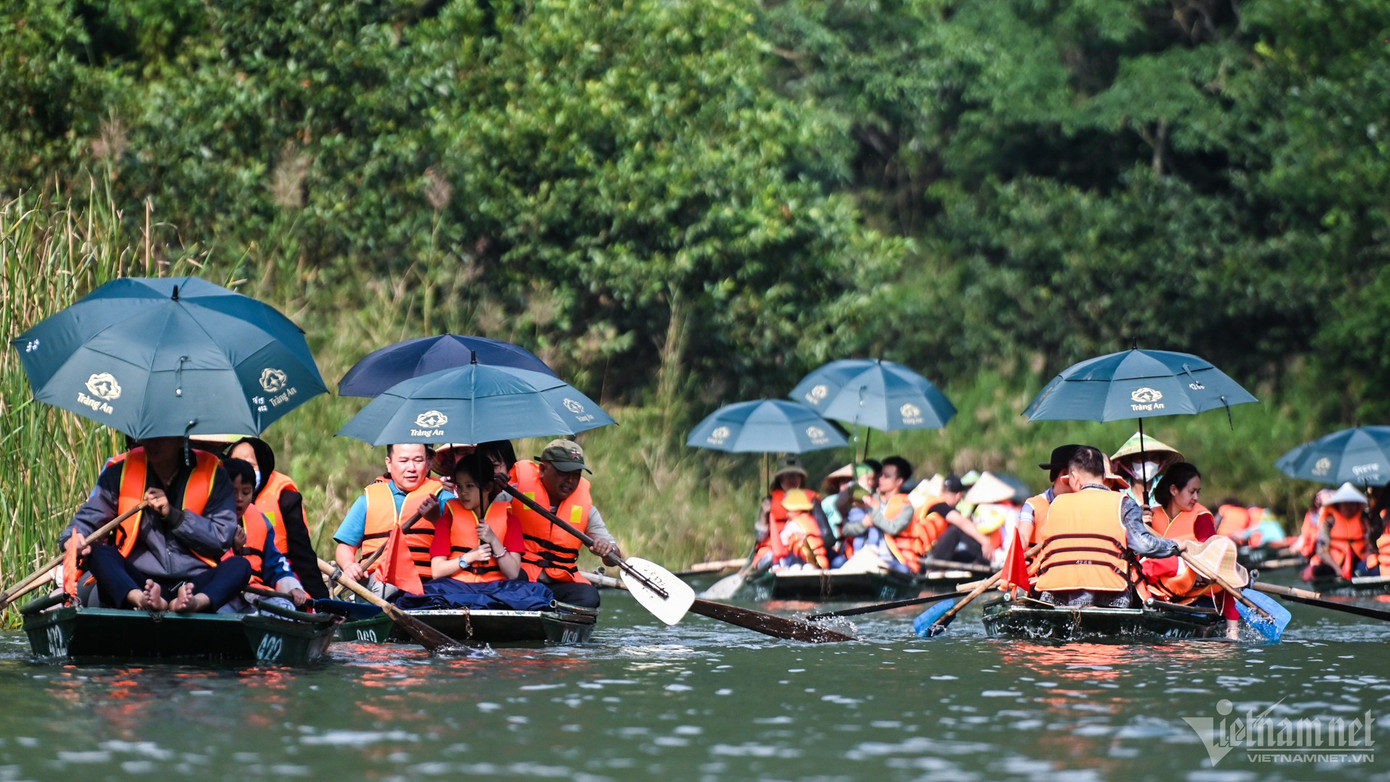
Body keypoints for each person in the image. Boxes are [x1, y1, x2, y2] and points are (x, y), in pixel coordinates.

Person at [59, 436, 249, 613]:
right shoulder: (119, 472)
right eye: (149, 436)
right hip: (139, 580)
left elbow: (221, 539)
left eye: (162, 438)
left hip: (194, 583)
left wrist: (174, 516)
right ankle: (140, 599)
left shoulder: (216, 475)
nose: (152, 443)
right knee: (101, 554)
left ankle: (194, 603)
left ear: (180, 440)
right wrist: (72, 538)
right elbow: (89, 518)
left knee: (240, 566)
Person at [1030, 445, 1187, 608]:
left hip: (1057, 595)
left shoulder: (1055, 505)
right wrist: (1175, 546)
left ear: (1075, 477)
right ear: (1105, 475)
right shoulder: (1124, 503)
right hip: (1109, 595)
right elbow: (1144, 545)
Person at [407, 453, 555, 611]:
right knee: (417, 596)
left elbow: (513, 573)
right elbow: (437, 571)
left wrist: (494, 541)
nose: (463, 493)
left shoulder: (510, 520)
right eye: (459, 486)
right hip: (457, 588)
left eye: (470, 486)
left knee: (537, 594)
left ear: (488, 488)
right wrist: (470, 557)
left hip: (498, 589)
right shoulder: (447, 520)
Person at [505, 439, 622, 608]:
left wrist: (608, 549)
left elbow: (614, 557)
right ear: (543, 469)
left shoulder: (586, 509)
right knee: (510, 581)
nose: (570, 481)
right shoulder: (513, 493)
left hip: (558, 582)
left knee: (589, 597)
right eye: (563, 473)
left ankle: (545, 608)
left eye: (576, 475)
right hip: (520, 577)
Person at [332, 443, 451, 598]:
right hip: (378, 582)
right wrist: (349, 565)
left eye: (418, 460)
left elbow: (461, 543)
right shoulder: (368, 501)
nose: (411, 468)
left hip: (429, 583)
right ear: (389, 464)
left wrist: (436, 520)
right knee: (387, 588)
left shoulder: (445, 499)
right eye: (403, 461)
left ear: (428, 463)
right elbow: (345, 547)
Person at [1138, 462, 1241, 637]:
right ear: (1173, 490)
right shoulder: (1150, 515)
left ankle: (1233, 629)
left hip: (1195, 589)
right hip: (1156, 590)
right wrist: (1140, 525)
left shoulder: (1201, 517)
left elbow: (1212, 559)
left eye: (1198, 492)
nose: (1196, 497)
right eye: (1191, 492)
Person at [227, 436, 328, 599]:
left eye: (250, 465)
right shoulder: (215, 504)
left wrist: (321, 599)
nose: (243, 470)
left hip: (278, 580)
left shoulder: (286, 498)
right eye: (236, 462)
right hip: (232, 586)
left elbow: (302, 556)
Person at [220, 457, 310, 611]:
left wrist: (292, 587)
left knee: (285, 608)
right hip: (220, 594)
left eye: (246, 492)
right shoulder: (208, 518)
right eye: (233, 492)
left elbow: (275, 564)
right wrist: (231, 546)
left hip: (254, 594)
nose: (239, 498)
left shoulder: (261, 521)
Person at [839, 456, 926, 573]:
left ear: (899, 481)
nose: (880, 479)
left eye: (886, 476)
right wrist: (864, 523)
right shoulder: (867, 498)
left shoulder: (906, 507)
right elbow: (846, 530)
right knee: (837, 562)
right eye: (881, 475)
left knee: (903, 570)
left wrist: (873, 512)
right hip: (861, 555)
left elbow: (893, 528)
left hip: (890, 561)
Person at [920, 475, 991, 568]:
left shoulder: (940, 505)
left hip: (935, 553)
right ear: (958, 495)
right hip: (928, 557)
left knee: (968, 555)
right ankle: (987, 560)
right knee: (958, 528)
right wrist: (985, 542)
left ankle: (984, 561)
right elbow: (962, 522)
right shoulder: (940, 506)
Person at [1018, 444, 1080, 551]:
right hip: (1039, 561)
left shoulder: (1083, 505)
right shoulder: (1033, 506)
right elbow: (1022, 538)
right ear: (1064, 474)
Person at [1311, 482, 1373, 580]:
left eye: (1352, 503)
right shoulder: (1329, 522)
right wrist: (1337, 570)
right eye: (1345, 503)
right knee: (1319, 571)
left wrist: (1367, 560)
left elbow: (1370, 545)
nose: (1349, 507)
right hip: (1335, 563)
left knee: (1369, 568)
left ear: (1357, 504)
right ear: (1338, 504)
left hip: (1359, 561)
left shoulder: (1364, 520)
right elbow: (1322, 551)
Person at [1109, 432, 1182, 508]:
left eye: (1153, 458)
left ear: (1160, 462)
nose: (1149, 462)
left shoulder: (1169, 487)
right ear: (1129, 463)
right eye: (1142, 458)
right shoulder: (1118, 491)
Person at [774, 489, 831, 570]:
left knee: (791, 554)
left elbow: (784, 540)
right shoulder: (810, 520)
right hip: (815, 558)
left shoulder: (793, 524)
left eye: (788, 511)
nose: (786, 514)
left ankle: (795, 567)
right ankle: (810, 566)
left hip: (801, 557)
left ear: (797, 510)